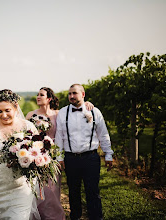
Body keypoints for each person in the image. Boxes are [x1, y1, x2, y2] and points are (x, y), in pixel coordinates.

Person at [26, 87, 93, 220]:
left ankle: (52, 216)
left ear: (49, 99)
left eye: (41, 95)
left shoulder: (58, 113)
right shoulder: (30, 115)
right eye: (37, 94)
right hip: (35, 155)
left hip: (53, 156)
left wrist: (86, 104)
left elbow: (75, 110)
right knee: (35, 188)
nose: (38, 97)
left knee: (52, 189)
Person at [0, 89, 40, 220]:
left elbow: (39, 153)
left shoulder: (28, 127)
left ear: (16, 107)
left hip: (21, 187)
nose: (4, 115)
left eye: (7, 110)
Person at [55, 84, 113, 220]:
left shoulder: (94, 112)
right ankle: (75, 216)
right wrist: (59, 157)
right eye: (69, 94)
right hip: (71, 159)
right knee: (73, 191)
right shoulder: (63, 112)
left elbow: (103, 134)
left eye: (74, 93)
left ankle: (96, 217)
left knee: (92, 191)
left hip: (91, 157)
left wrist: (108, 154)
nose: (71, 96)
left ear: (83, 94)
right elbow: (59, 136)